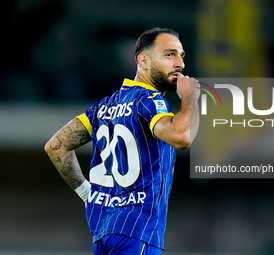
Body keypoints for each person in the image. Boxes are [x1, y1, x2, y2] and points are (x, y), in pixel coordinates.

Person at [44, 27, 200, 254]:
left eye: (181, 56)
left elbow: (56, 146)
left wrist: (87, 195)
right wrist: (190, 99)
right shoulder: (150, 100)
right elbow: (182, 137)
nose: (180, 64)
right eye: (170, 55)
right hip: (138, 231)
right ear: (143, 60)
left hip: (104, 233)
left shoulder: (103, 106)